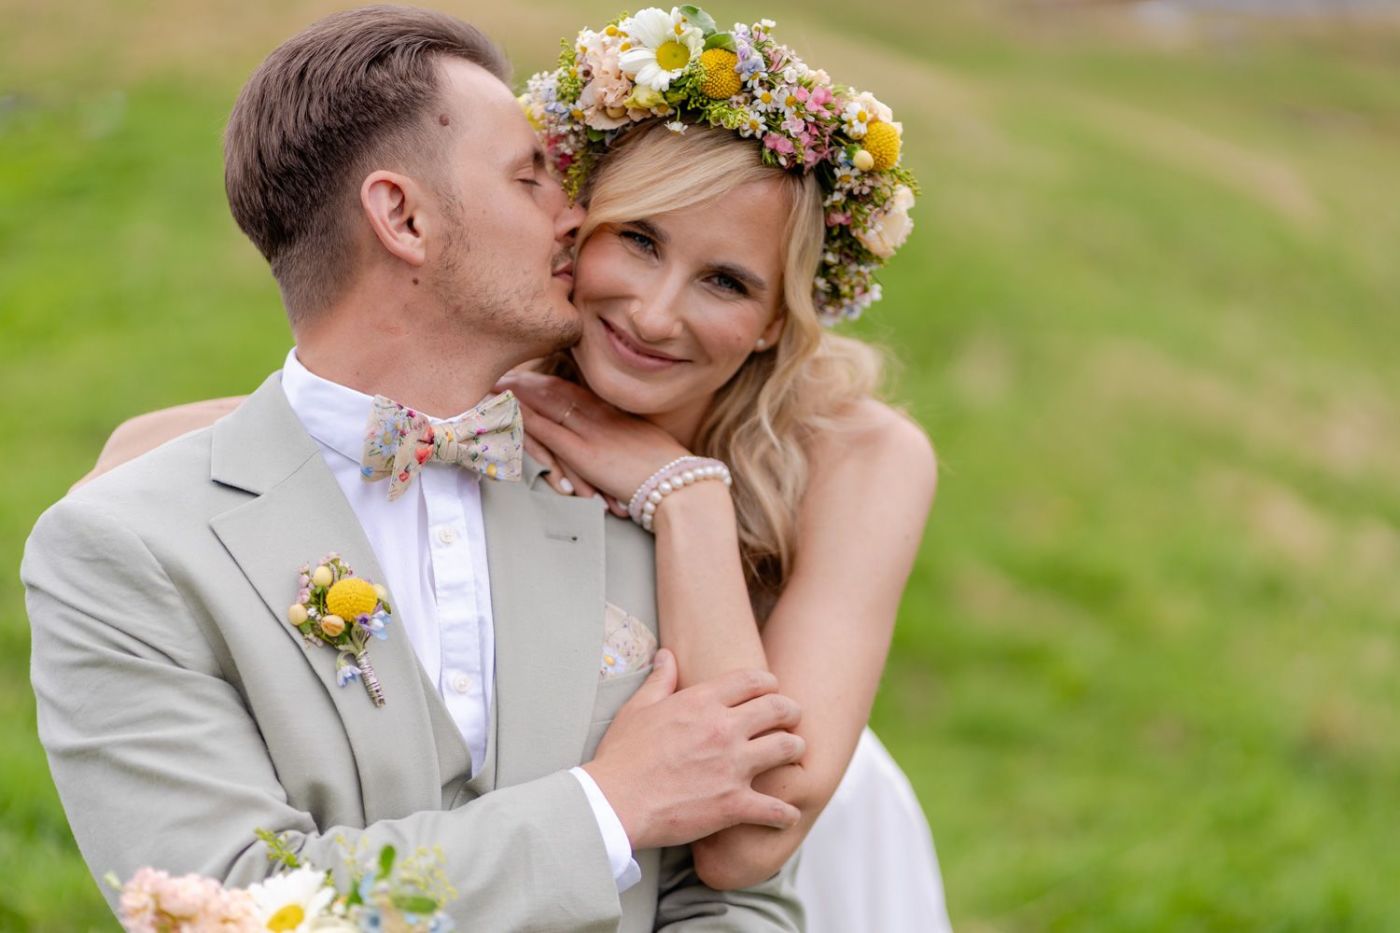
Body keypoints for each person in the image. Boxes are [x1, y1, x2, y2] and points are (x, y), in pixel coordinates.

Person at [79, 7, 952, 930]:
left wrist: (687, 495)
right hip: (589, 839)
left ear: (777, 318)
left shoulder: (858, 454)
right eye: (639, 239)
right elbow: (227, 434)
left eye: (726, 281)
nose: (655, 315)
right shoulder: (515, 379)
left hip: (804, 833)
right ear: (577, 227)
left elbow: (748, 840)